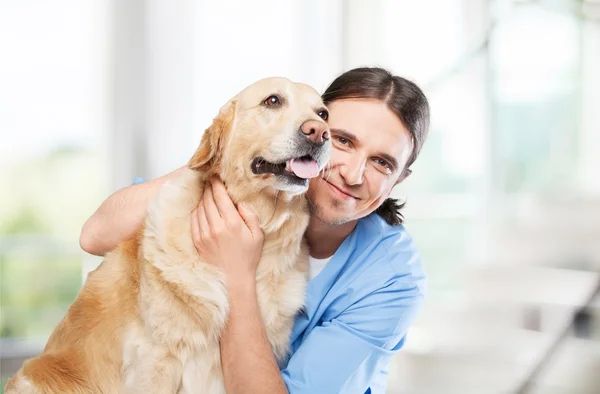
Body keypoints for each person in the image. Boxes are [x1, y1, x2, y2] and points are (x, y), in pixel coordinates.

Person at [79, 66, 430, 394]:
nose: (352, 175)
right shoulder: (255, 186)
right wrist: (218, 153)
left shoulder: (393, 278)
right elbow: (95, 236)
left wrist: (237, 275)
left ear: (400, 179)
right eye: (340, 140)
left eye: (382, 163)